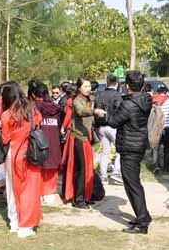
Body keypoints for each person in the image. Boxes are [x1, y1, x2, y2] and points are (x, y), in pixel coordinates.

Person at [97, 70, 152, 234]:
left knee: (132, 184)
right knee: (134, 182)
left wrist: (102, 114)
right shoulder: (145, 100)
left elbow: (114, 122)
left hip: (130, 147)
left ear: (127, 86)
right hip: (138, 145)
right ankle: (143, 215)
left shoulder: (128, 104)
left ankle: (142, 222)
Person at [0, 81, 43, 238]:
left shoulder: (6, 115)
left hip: (14, 154)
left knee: (12, 190)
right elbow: (38, 125)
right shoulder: (32, 110)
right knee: (30, 191)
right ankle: (26, 225)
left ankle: (14, 222)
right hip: (31, 154)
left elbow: (5, 139)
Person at [62, 78, 104, 209]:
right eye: (85, 86)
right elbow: (80, 111)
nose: (88, 88)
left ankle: (86, 196)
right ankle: (78, 199)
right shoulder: (77, 100)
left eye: (89, 86)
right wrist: (94, 111)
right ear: (79, 88)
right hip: (78, 138)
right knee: (81, 169)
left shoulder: (87, 99)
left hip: (86, 138)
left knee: (87, 169)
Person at [33, 82, 62, 205]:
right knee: (52, 169)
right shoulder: (56, 108)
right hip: (54, 141)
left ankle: (39, 193)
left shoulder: (35, 108)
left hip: (40, 142)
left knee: (38, 169)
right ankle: (49, 193)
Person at [95, 74, 123, 185]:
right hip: (113, 126)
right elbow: (120, 111)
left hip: (101, 127)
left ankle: (103, 176)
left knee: (105, 152)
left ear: (107, 82)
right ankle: (116, 173)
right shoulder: (117, 95)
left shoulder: (99, 94)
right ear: (116, 83)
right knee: (121, 150)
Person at [152, 85, 169, 173]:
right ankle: (166, 168)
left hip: (157, 128)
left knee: (156, 148)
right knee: (167, 149)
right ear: (166, 92)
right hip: (167, 128)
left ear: (158, 93)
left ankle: (156, 166)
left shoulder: (154, 101)